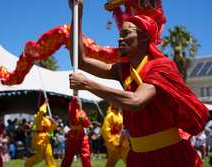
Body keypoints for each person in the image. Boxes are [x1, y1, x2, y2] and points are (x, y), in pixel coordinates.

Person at [68, 0, 209, 166]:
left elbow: (135, 101)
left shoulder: (162, 66)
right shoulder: (123, 70)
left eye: (126, 33)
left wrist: (87, 84)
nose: (120, 38)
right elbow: (80, 61)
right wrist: (77, 15)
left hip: (170, 155)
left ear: (144, 37)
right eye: (120, 34)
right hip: (137, 157)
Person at [25, 102, 57, 167]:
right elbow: (41, 111)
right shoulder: (37, 117)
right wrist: (45, 103)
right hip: (38, 138)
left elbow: (51, 128)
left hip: (46, 138)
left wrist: (53, 122)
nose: (45, 112)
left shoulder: (47, 119)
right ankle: (28, 164)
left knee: (49, 154)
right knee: (40, 156)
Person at [61, 97, 91, 167]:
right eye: (78, 102)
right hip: (73, 137)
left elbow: (87, 124)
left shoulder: (83, 112)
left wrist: (84, 120)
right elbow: (72, 106)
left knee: (86, 156)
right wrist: (75, 97)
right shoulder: (72, 110)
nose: (79, 103)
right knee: (68, 156)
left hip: (82, 137)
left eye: (80, 102)